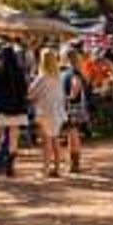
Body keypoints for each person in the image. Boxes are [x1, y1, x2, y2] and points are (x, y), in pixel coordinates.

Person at [0, 40, 31, 174]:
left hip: (1, 108)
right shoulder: (20, 71)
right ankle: (10, 168)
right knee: (13, 138)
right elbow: (25, 90)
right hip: (17, 109)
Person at [31, 47, 70, 179]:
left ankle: (46, 170)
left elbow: (30, 93)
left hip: (45, 111)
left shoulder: (42, 77)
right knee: (55, 140)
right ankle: (57, 169)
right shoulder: (58, 76)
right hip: (58, 112)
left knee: (46, 141)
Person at [61, 48, 93, 174]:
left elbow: (75, 89)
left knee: (73, 135)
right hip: (75, 107)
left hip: (73, 107)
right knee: (71, 135)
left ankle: (75, 164)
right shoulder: (77, 72)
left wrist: (67, 97)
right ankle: (72, 163)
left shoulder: (73, 73)